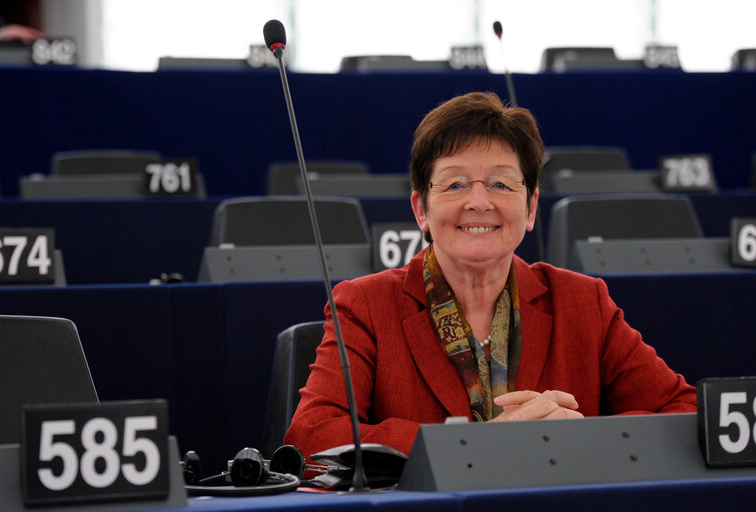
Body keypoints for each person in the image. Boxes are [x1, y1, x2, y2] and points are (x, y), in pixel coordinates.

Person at [285, 91, 697, 459]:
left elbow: (686, 412)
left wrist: (583, 436)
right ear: (421, 210)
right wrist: (472, 445)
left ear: (531, 207)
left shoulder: (583, 301)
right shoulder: (366, 305)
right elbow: (312, 434)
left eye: (501, 184)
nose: (479, 201)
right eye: (455, 184)